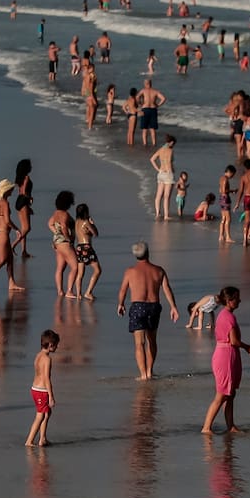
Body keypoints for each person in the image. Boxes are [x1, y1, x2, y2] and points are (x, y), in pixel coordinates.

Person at [116, 241, 179, 380]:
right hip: (154, 306)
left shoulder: (130, 271)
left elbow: (122, 290)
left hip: (138, 306)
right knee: (152, 341)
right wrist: (173, 307)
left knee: (140, 343)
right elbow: (167, 289)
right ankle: (150, 371)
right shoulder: (159, 270)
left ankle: (143, 374)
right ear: (148, 253)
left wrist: (120, 304)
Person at [202, 286, 250, 433]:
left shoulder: (224, 315)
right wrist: (247, 347)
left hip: (227, 354)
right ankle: (206, 427)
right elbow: (234, 341)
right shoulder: (228, 317)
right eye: (237, 298)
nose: (240, 300)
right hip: (225, 355)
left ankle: (230, 426)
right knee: (221, 394)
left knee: (230, 393)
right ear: (229, 300)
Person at [25, 330, 60, 447]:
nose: (57, 347)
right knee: (40, 416)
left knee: (47, 412)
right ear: (50, 345)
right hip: (42, 391)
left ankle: (42, 439)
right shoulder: (47, 359)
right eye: (56, 345)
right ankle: (29, 441)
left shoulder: (38, 355)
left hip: (34, 389)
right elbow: (46, 378)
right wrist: (51, 396)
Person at [48, 190, 77, 296]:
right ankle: (69, 290)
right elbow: (64, 225)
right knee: (75, 267)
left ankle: (60, 291)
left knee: (60, 268)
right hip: (64, 243)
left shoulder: (56, 213)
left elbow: (50, 224)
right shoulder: (64, 214)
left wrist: (56, 233)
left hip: (57, 243)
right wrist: (68, 238)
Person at [72, 203, 101, 300]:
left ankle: (79, 294)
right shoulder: (86, 222)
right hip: (87, 247)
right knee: (97, 270)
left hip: (79, 247)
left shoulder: (77, 222)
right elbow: (95, 233)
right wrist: (92, 223)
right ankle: (88, 292)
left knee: (80, 273)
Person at [149, 136, 176, 220]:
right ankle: (166, 215)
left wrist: (158, 169)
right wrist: (172, 171)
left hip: (161, 173)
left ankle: (157, 213)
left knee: (158, 195)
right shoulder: (170, 151)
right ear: (171, 142)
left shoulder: (160, 149)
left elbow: (152, 159)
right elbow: (169, 162)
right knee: (166, 196)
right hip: (168, 174)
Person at [12, 158, 33, 257]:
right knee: (27, 228)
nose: (31, 167)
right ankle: (13, 245)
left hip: (19, 200)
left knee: (24, 228)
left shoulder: (19, 177)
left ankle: (24, 251)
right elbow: (24, 192)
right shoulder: (26, 177)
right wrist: (30, 199)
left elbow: (20, 191)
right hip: (24, 201)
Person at [217, 165, 237, 243]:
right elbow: (224, 190)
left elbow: (220, 190)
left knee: (223, 219)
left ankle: (221, 236)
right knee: (228, 219)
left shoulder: (221, 178)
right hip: (225, 199)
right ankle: (228, 237)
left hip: (221, 198)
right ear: (229, 172)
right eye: (233, 174)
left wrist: (231, 191)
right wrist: (232, 191)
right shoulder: (225, 179)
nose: (233, 176)